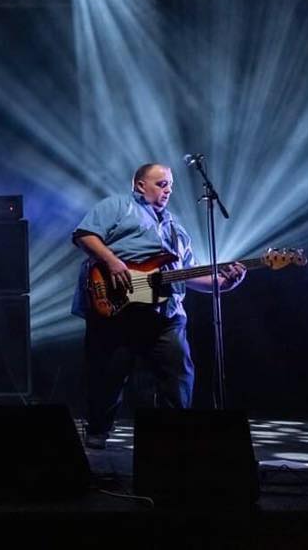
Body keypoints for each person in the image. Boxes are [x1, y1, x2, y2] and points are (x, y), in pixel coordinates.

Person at [71, 163, 246, 449]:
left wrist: (225, 284)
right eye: (162, 184)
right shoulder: (117, 206)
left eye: (170, 186)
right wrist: (112, 261)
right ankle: (98, 430)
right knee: (108, 375)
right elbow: (84, 235)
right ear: (141, 185)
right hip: (118, 305)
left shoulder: (176, 227)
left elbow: (188, 274)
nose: (168, 190)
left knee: (178, 376)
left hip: (166, 314)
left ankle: (173, 436)